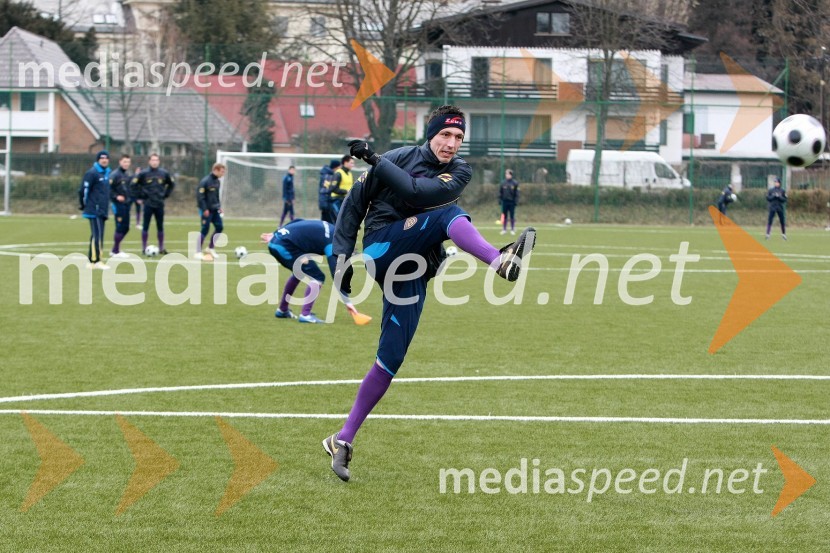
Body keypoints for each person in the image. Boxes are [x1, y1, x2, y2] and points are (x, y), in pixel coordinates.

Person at [321, 105, 536, 481]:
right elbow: (353, 206)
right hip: (381, 250)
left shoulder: (460, 171)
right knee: (448, 214)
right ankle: (498, 260)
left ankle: (342, 439)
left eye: (458, 137)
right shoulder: (399, 157)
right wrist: (339, 260)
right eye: (445, 135)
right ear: (431, 134)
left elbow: (417, 192)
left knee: (390, 359)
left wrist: (375, 159)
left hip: (413, 269)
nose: (451, 143)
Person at [262, 218, 355, 324]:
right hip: (285, 247)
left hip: (277, 242)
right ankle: (305, 315)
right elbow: (335, 271)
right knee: (317, 276)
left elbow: (298, 221)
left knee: (299, 273)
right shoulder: (333, 242)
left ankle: (282, 310)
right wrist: (347, 301)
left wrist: (275, 233)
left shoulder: (331, 227)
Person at [132, 153, 175, 255]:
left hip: (159, 203)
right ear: (149, 161)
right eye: (153, 160)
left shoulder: (164, 173)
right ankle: (144, 248)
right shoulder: (143, 173)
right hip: (148, 203)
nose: (154, 162)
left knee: (160, 226)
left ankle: (161, 248)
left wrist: (165, 195)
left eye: (156, 160)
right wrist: (140, 196)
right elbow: (133, 185)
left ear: (159, 161)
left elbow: (172, 184)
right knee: (145, 226)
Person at [78, 150, 111, 269]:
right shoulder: (92, 173)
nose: (104, 160)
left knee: (97, 235)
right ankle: (96, 260)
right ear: (98, 160)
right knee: (97, 235)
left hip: (103, 209)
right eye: (102, 158)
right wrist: (84, 204)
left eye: (106, 158)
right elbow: (83, 190)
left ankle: (92, 260)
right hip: (94, 209)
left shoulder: (107, 173)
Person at [195, 163, 226, 259]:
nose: (223, 174)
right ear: (216, 170)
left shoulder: (217, 181)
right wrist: (204, 209)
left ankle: (210, 248)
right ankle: (197, 252)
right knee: (205, 229)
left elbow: (216, 196)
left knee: (220, 227)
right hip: (206, 210)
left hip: (214, 209)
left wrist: (219, 206)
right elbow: (200, 197)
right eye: (222, 171)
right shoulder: (205, 181)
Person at [109, 154, 132, 258]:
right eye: (124, 162)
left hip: (126, 204)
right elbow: (108, 189)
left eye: (128, 162)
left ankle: (115, 249)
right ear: (120, 162)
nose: (126, 164)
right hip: (117, 204)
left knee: (126, 228)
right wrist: (116, 196)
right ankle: (115, 251)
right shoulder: (115, 174)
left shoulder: (126, 175)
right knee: (120, 226)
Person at [499, 169, 520, 235]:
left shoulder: (515, 183)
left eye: (508, 174)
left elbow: (517, 193)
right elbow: (500, 192)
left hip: (512, 202)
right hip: (505, 202)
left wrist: (516, 201)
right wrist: (500, 199)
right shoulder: (503, 183)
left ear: (511, 175)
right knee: (504, 215)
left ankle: (512, 229)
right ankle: (504, 229)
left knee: (512, 216)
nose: (507, 175)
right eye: (506, 174)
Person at [318, 159, 340, 223]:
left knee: (325, 220)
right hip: (326, 201)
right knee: (330, 220)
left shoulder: (327, 174)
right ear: (336, 167)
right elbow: (326, 189)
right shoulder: (328, 176)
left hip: (325, 201)